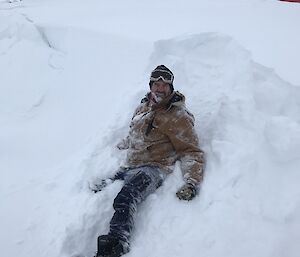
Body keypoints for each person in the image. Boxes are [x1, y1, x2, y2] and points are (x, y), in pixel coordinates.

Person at [94, 65, 205, 257]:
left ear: (171, 88)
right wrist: (122, 144)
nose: (160, 88)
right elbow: (134, 133)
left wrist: (191, 183)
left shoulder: (178, 117)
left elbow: (191, 151)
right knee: (97, 190)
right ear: (151, 85)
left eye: (165, 85)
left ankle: (118, 242)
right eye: (156, 84)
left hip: (154, 168)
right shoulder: (144, 106)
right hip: (130, 165)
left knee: (126, 197)